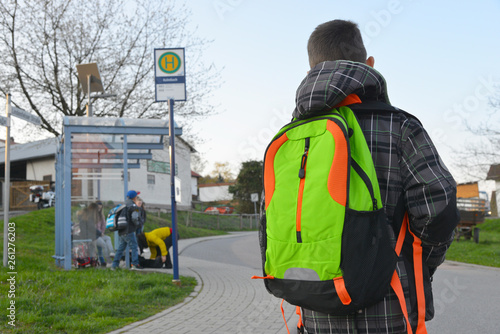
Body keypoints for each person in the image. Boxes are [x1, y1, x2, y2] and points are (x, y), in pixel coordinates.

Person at [288, 20, 460, 333]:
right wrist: (419, 262)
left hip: (316, 304)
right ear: (369, 64)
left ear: (311, 67)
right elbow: (439, 206)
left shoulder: (293, 137)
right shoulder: (401, 127)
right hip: (389, 303)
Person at [110, 190, 144, 270]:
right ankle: (135, 264)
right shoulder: (133, 206)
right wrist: (138, 224)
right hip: (129, 230)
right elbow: (135, 218)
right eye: (136, 196)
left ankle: (114, 266)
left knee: (120, 248)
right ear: (134, 197)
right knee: (134, 246)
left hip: (121, 231)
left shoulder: (123, 205)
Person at [94, 201, 115, 267]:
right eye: (98, 208)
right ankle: (107, 260)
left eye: (100, 208)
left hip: (100, 234)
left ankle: (111, 252)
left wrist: (102, 232)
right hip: (94, 235)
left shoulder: (101, 216)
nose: (99, 210)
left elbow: (103, 225)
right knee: (103, 244)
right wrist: (100, 233)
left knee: (108, 238)